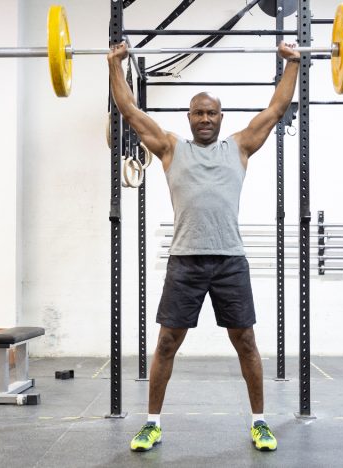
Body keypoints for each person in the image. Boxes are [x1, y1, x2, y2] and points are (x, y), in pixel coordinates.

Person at [107, 41, 300, 452]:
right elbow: (131, 113)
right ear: (189, 117)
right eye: (199, 112)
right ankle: (152, 423)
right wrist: (114, 66)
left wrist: (294, 63)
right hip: (185, 261)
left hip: (230, 260)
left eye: (212, 112)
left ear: (220, 117)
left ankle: (259, 422)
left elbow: (275, 110)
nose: (206, 118)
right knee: (166, 343)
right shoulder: (172, 148)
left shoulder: (240, 146)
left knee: (245, 341)